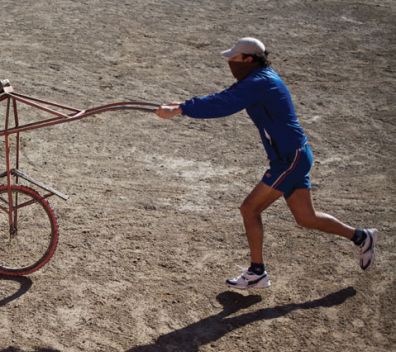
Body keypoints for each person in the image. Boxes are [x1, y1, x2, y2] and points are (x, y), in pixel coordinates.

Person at [155, 37, 378, 290]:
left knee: (250, 209)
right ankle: (362, 236)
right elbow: (226, 96)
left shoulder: (261, 83)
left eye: (234, 58)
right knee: (306, 218)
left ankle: (257, 271)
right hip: (292, 155)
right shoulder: (259, 78)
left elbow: (224, 104)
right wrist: (180, 106)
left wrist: (182, 110)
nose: (230, 61)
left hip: (289, 159)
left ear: (248, 59)